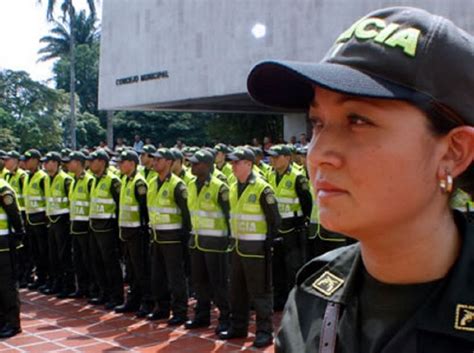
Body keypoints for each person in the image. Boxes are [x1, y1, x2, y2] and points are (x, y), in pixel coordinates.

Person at [247, 6, 474, 352]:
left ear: (453, 152)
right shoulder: (312, 297)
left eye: (358, 120)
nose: (318, 153)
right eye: (317, 123)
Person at [219, 147, 281, 348]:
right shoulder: (233, 185)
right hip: (237, 248)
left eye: (237, 162)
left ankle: (264, 331)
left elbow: (275, 221)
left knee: (260, 292)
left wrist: (266, 245)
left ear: (248, 163)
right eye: (232, 162)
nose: (233, 166)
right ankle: (238, 327)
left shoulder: (262, 189)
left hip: (256, 250)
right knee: (236, 291)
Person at [185, 149, 231, 334]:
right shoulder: (190, 184)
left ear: (206, 165)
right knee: (199, 282)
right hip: (197, 241)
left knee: (218, 283)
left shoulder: (220, 187)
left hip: (216, 243)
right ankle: (201, 316)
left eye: (196, 164)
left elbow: (230, 216)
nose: (192, 166)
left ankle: (226, 318)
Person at [147, 148, 190, 326]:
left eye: (159, 159)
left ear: (169, 162)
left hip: (173, 238)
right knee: (158, 276)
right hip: (156, 236)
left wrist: (183, 238)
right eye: (154, 159)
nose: (155, 162)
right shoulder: (152, 183)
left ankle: (180, 311)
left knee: (176, 277)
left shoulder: (178, 185)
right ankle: (162, 307)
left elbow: (187, 215)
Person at [267, 144, 312, 310]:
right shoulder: (270, 175)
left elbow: (307, 202)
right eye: (271, 157)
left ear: (287, 158)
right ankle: (279, 300)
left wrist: (302, 222)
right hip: (277, 228)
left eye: (276, 157)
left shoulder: (297, 177)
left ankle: (295, 300)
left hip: (293, 228)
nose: (272, 160)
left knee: (293, 266)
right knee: (277, 266)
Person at [115, 150, 152, 317]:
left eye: (122, 162)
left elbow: (145, 210)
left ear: (131, 163)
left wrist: (144, 230)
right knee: (131, 269)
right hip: (126, 231)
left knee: (141, 269)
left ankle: (147, 301)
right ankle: (133, 300)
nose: (119, 165)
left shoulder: (139, 183)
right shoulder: (125, 180)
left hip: (138, 232)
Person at [88, 149, 124, 310]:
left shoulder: (113, 181)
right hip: (95, 226)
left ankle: (116, 296)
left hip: (108, 227)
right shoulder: (95, 180)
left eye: (93, 160)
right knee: (97, 261)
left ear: (102, 162)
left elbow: (119, 205)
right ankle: (104, 292)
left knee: (110, 263)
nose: (90, 163)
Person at [42, 152, 74, 297]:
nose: (45, 164)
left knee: (64, 254)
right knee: (53, 254)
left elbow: (71, 201)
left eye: (48, 162)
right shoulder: (47, 179)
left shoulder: (65, 180)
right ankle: (57, 282)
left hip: (63, 221)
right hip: (52, 221)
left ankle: (68, 285)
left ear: (56, 163)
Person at [0, 165, 25, 338]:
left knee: (6, 284)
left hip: (4, 243)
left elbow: (15, 215)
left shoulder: (3, 188)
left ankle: (13, 323)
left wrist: (19, 236)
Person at [66, 151, 95, 299]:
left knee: (87, 259)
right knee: (77, 259)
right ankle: (82, 287)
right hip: (75, 225)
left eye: (70, 161)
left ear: (78, 163)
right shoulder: (74, 180)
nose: (68, 164)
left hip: (85, 226)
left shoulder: (89, 181)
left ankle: (92, 288)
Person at [23, 149, 50, 292]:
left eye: (28, 159)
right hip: (30, 219)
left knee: (43, 252)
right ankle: (39, 278)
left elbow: (47, 199)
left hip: (40, 220)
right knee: (35, 252)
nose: (25, 162)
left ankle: (45, 278)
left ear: (35, 160)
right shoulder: (28, 176)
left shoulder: (42, 177)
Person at [3, 151, 31, 287]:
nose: (5, 162)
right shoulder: (8, 176)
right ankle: (21, 275)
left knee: (24, 250)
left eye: (8, 159)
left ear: (15, 160)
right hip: (13, 219)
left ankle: (26, 275)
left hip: (23, 215)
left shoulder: (22, 176)